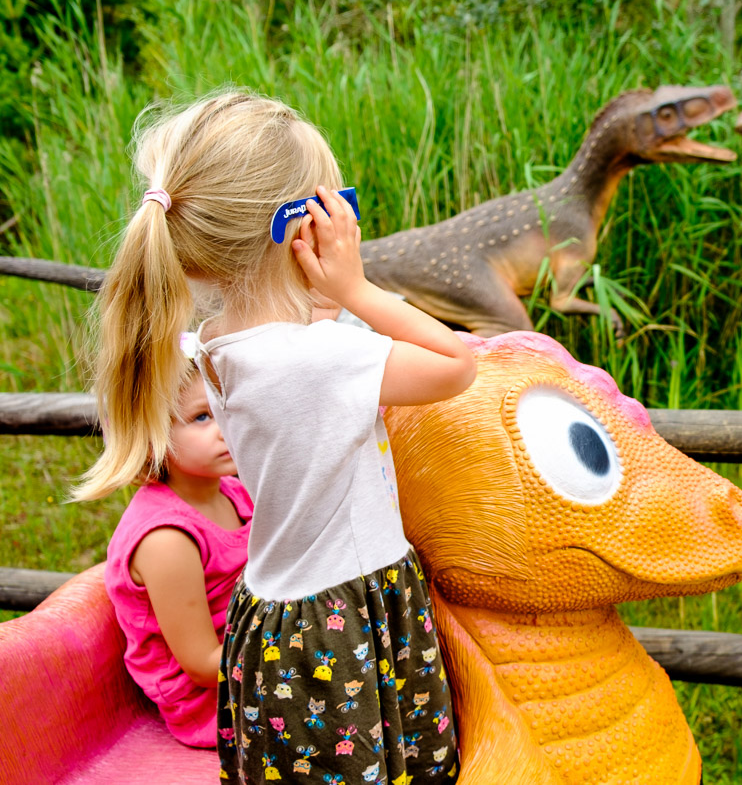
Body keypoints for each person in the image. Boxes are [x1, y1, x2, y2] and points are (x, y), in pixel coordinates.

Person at [75, 91, 476, 783]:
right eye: (334, 208)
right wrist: (356, 288)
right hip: (344, 618)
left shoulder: (217, 347)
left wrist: (322, 300)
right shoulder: (319, 359)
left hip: (278, 624)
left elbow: (299, 353)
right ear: (298, 228)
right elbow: (456, 365)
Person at [103, 364, 252, 748]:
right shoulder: (167, 538)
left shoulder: (235, 493)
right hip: (217, 701)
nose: (225, 426)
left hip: (254, 656)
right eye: (202, 416)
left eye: (227, 408)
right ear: (150, 437)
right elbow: (203, 666)